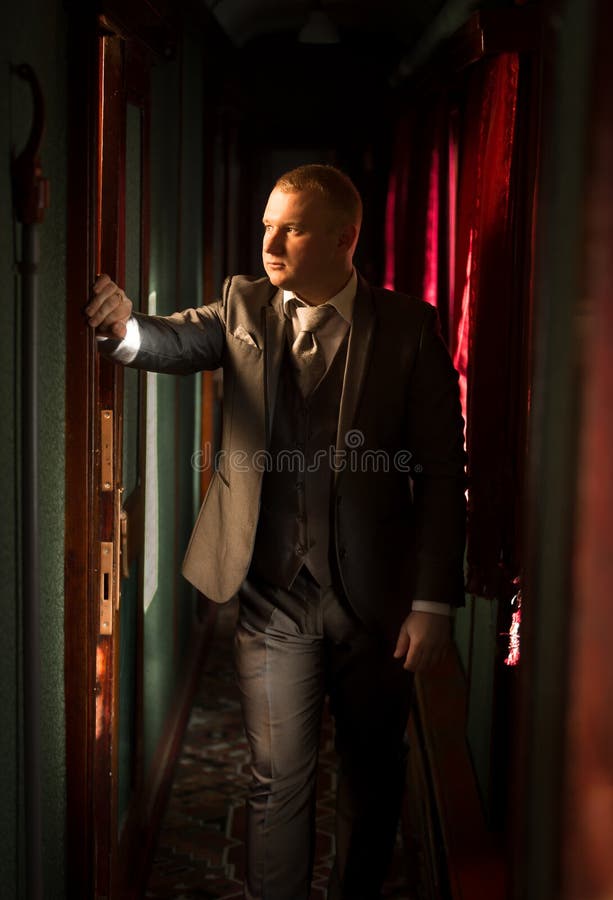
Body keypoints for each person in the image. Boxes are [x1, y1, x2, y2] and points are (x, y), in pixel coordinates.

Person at [86, 164, 466, 900]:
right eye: (266, 223)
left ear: (343, 237)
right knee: (275, 780)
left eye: (288, 227)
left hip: (380, 602)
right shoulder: (240, 304)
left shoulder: (409, 329)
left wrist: (432, 603)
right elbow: (168, 340)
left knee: (372, 773)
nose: (269, 240)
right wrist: (121, 327)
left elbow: (444, 475)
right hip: (269, 595)